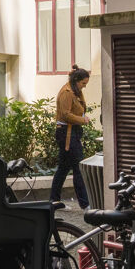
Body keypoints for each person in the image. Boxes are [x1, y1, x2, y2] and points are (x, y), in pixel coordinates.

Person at [50, 66, 93, 207]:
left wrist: (81, 116)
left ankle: (54, 201)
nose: (85, 86)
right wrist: (83, 120)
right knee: (78, 168)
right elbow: (65, 115)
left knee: (63, 168)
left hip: (71, 132)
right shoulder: (66, 92)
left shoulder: (75, 90)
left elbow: (79, 109)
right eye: (83, 83)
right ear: (76, 80)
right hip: (66, 133)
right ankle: (85, 204)